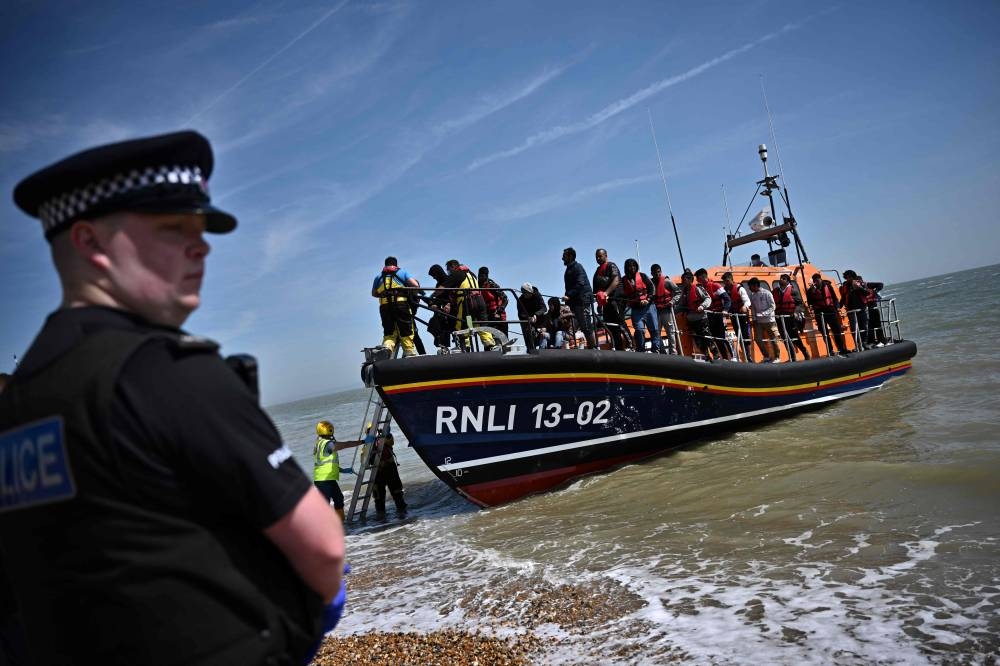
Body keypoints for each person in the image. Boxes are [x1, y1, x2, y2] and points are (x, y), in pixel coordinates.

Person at [0, 131, 345, 664]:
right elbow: (323, 549)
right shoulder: (165, 371)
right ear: (90, 242)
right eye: (172, 227)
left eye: (201, 228)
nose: (202, 244)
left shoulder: (20, 400)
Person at [313, 419, 367, 522]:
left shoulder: (319, 443)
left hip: (327, 479)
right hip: (323, 481)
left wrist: (343, 470)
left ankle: (341, 524)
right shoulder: (327, 444)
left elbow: (326, 464)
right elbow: (345, 445)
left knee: (339, 499)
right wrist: (363, 441)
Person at [442, 259, 496, 351]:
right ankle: (490, 345)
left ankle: (463, 346)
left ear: (453, 267)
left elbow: (442, 288)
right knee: (481, 323)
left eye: (448, 269)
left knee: (461, 323)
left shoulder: (457, 274)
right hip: (480, 302)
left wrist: (432, 295)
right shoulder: (472, 274)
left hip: (467, 302)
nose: (448, 272)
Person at [372, 255, 420, 357]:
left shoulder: (378, 276)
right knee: (406, 328)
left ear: (385, 265)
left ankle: (387, 347)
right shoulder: (402, 272)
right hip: (401, 305)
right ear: (396, 264)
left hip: (385, 307)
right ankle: (409, 352)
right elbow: (415, 285)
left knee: (389, 331)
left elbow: (374, 293)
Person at [365, 423, 407, 518]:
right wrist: (369, 454)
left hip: (390, 469)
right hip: (377, 472)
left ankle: (403, 515)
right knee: (379, 498)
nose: (372, 433)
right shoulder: (366, 445)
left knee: (397, 493)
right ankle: (381, 518)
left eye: (374, 430)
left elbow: (391, 442)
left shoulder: (384, 439)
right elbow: (364, 461)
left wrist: (387, 434)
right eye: (369, 431)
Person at [622, 258, 663, 353]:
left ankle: (655, 350)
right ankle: (641, 351)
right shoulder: (623, 280)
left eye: (634, 265)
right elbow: (621, 294)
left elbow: (652, 288)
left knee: (654, 330)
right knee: (639, 330)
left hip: (649, 307)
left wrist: (647, 299)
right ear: (626, 268)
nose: (632, 268)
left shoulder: (643, 276)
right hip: (636, 310)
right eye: (629, 266)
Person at [679, 269, 720, 360]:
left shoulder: (698, 288)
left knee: (707, 338)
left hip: (701, 319)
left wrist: (702, 306)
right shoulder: (684, 292)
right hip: (691, 320)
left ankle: (716, 355)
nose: (682, 282)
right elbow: (681, 305)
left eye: (684, 279)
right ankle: (706, 356)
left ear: (689, 280)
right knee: (698, 341)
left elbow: (708, 299)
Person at [592, 248, 628, 350]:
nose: (598, 258)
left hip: (616, 300)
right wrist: (599, 304)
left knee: (619, 322)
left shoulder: (611, 266)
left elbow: (616, 280)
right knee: (610, 326)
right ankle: (618, 347)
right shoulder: (597, 272)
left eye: (600, 256)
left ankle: (631, 344)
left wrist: (606, 293)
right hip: (606, 303)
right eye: (596, 257)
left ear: (606, 255)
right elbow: (596, 291)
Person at [562, 247, 597, 349]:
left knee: (586, 325)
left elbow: (580, 284)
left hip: (583, 300)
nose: (562, 258)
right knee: (579, 325)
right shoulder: (569, 269)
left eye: (564, 256)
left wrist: (569, 295)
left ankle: (594, 348)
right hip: (576, 302)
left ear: (570, 256)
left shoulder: (577, 267)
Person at [806, 272, 848, 355]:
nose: (817, 282)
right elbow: (810, 302)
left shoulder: (828, 286)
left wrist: (837, 307)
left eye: (818, 280)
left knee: (836, 331)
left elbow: (834, 298)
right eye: (815, 281)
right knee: (824, 333)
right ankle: (830, 350)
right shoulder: (810, 290)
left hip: (831, 311)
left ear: (820, 279)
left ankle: (841, 349)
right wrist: (813, 292)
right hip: (819, 313)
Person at [695, 268, 732, 360]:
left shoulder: (716, 286)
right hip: (709, 317)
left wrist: (725, 310)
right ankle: (723, 358)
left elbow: (727, 299)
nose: (697, 280)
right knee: (715, 338)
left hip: (719, 315)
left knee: (722, 338)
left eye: (698, 278)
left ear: (703, 276)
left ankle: (731, 357)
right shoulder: (701, 289)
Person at [772, 274, 811, 361]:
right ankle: (792, 357)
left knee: (794, 336)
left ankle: (805, 352)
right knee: (784, 337)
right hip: (779, 318)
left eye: (784, 279)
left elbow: (800, 304)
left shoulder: (793, 292)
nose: (782, 280)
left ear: (788, 281)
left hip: (790, 318)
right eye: (781, 278)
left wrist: (795, 312)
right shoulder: (775, 292)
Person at [748, 277, 782, 362]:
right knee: (757, 339)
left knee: (773, 338)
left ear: (755, 285)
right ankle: (766, 356)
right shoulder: (753, 296)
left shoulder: (767, 293)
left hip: (769, 320)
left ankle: (777, 357)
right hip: (758, 321)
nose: (749, 288)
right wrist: (754, 318)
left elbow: (773, 306)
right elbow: (753, 309)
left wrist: (764, 313)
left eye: (750, 286)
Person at [722, 271, 753, 361]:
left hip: (742, 316)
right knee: (738, 335)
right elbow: (725, 303)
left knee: (745, 335)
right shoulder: (725, 291)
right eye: (724, 281)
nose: (726, 283)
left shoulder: (740, 288)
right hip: (733, 316)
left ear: (731, 279)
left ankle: (748, 357)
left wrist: (745, 306)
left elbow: (747, 301)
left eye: (727, 281)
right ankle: (744, 356)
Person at [650, 263, 679, 354]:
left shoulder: (667, 282)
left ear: (661, 272)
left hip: (667, 311)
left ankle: (673, 353)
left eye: (658, 272)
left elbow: (678, 292)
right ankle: (662, 352)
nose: (657, 274)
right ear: (652, 273)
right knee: (656, 333)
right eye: (655, 273)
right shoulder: (650, 284)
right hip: (656, 312)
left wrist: (672, 301)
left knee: (670, 333)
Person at [840, 269, 871, 349]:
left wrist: (859, 288)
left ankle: (864, 343)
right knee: (854, 329)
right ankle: (857, 345)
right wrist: (838, 307)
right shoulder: (844, 286)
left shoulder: (859, 283)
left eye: (849, 277)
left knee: (863, 327)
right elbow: (843, 298)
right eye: (846, 277)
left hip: (861, 309)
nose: (847, 279)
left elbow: (867, 293)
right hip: (851, 311)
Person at [478, 266, 509, 338]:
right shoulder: (477, 285)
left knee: (502, 337)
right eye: (479, 275)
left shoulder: (492, 285)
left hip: (497, 314)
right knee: (489, 337)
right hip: (486, 315)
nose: (480, 277)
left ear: (486, 275)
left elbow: (505, 299)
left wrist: (499, 311)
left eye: (482, 275)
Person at [426, 264, 453, 349]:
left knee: (443, 321)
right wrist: (434, 304)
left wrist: (449, 304)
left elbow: (454, 295)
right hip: (443, 310)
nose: (433, 278)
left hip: (454, 308)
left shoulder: (449, 280)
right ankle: (442, 345)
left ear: (438, 273)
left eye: (434, 275)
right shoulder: (438, 284)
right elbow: (438, 298)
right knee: (434, 322)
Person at [857, 273, 888, 347]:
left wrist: (875, 291)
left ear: (861, 280)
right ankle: (872, 340)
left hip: (872, 306)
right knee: (869, 325)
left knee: (877, 324)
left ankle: (882, 340)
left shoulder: (868, 285)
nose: (858, 283)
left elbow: (880, 284)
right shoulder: (858, 289)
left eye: (859, 281)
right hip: (866, 308)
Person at [516, 282, 547, 351]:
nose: (525, 295)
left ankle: (543, 350)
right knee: (528, 332)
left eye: (526, 293)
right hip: (527, 320)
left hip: (539, 318)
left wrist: (536, 315)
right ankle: (530, 349)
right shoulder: (520, 300)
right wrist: (529, 318)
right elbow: (520, 314)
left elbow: (544, 308)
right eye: (523, 293)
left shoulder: (537, 295)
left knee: (542, 334)